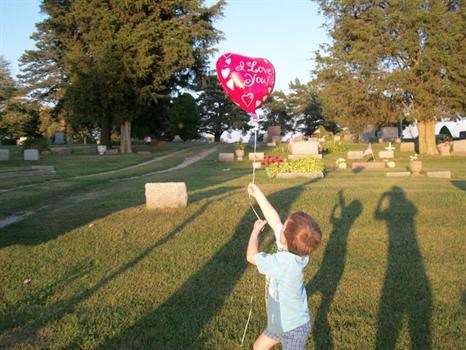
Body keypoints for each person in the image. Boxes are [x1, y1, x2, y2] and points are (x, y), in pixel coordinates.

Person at [246, 183, 322, 350]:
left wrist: (255, 232)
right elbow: (274, 220)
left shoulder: (282, 263)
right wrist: (258, 195)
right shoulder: (299, 253)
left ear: (285, 239)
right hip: (277, 325)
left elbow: (251, 256)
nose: (281, 224)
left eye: (285, 225)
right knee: (258, 347)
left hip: (294, 328)